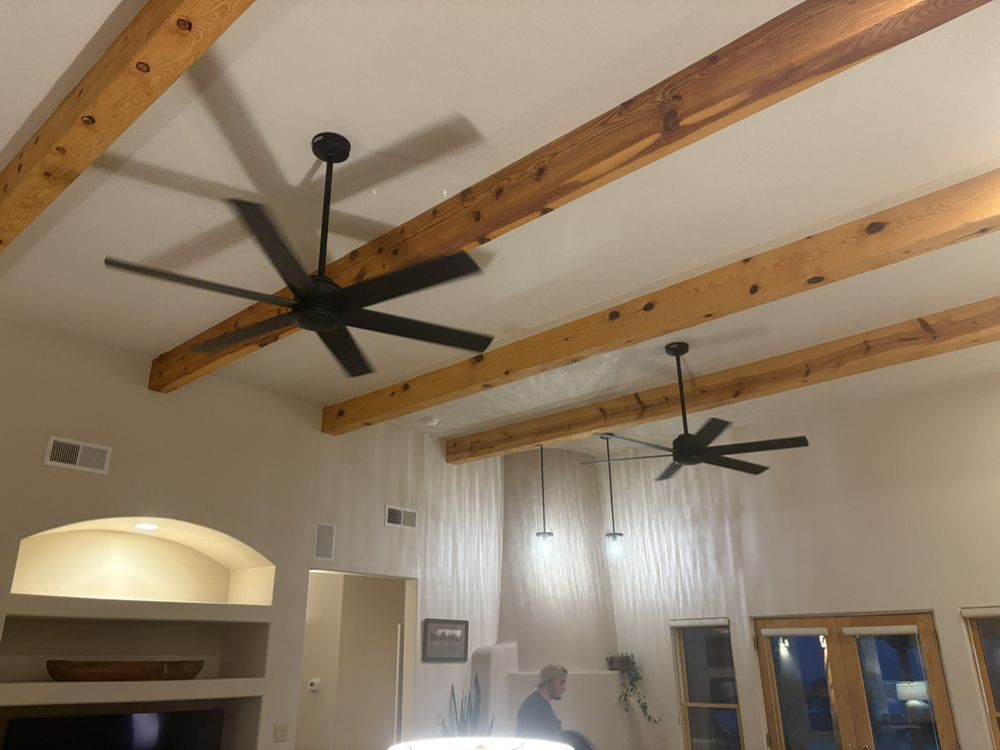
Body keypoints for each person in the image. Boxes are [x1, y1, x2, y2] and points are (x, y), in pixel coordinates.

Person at [515, 664, 567, 740]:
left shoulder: (540, 705)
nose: (564, 688)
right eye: (561, 682)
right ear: (550, 681)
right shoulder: (533, 707)